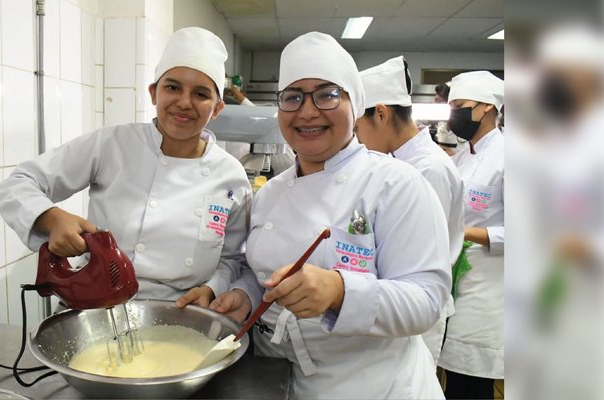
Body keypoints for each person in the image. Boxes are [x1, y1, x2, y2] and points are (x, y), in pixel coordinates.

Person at [209, 32, 451, 399]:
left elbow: (427, 300)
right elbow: (265, 274)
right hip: (283, 380)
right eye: (293, 97)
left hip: (375, 386)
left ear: (355, 105)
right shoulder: (271, 192)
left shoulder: (396, 183)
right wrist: (245, 294)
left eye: (327, 94)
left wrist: (340, 291)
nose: (307, 111)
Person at [0, 27, 252, 306]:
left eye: (201, 94)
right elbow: (17, 184)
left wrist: (213, 288)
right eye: (172, 87)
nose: (184, 102)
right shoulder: (112, 144)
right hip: (96, 301)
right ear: (154, 93)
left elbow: (232, 257)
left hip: (181, 310)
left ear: (216, 108)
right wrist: (52, 218)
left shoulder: (230, 175)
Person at [355, 55, 465, 366]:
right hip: (394, 303)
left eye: (357, 127)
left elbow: (419, 257)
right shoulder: (399, 161)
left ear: (380, 114)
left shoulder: (428, 169)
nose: (357, 139)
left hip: (415, 312)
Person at [437, 71, 505, 399]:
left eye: (461, 106)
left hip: (490, 287)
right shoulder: (463, 156)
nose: (455, 115)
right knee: (456, 379)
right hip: (458, 280)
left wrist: (463, 233)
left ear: (486, 108)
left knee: (473, 383)